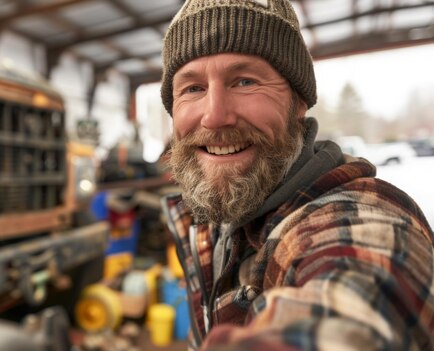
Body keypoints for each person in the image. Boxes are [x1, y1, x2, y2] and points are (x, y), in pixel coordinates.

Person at [159, 0, 434, 350]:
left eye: (245, 81)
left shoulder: (361, 218)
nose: (214, 116)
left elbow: (355, 309)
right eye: (193, 88)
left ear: (299, 102)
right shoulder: (218, 209)